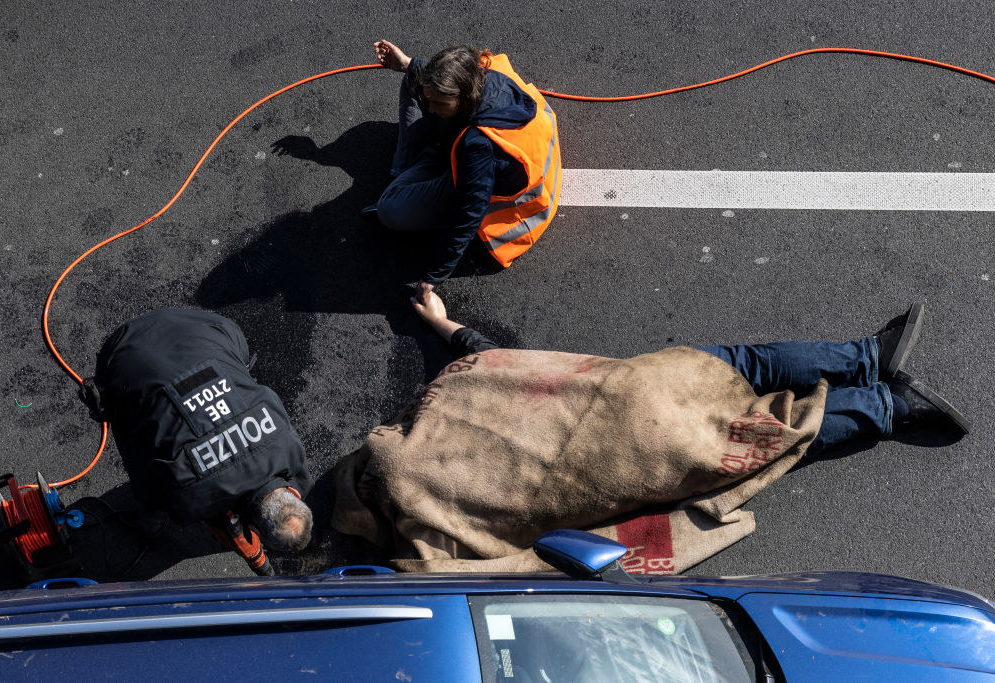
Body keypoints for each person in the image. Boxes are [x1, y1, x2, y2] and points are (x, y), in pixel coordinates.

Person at [332, 297, 968, 573]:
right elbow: (489, 364)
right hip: (627, 392)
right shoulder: (438, 413)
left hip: (631, 460)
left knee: (758, 440)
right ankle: (863, 356)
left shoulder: (433, 544)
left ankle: (890, 408)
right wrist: (447, 326)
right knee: (736, 365)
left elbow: (520, 567)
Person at [83, 309, 314, 570]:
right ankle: (151, 518)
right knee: (137, 448)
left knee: (239, 369)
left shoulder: (288, 445)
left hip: (203, 327)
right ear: (251, 528)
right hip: (123, 353)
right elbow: (145, 474)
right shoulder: (190, 497)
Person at [368, 40, 561, 302]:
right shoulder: (486, 74)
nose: (430, 107)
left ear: (462, 98)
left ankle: (411, 176)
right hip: (469, 149)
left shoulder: (478, 148)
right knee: (414, 79)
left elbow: (468, 214)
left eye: (438, 103)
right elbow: (431, 85)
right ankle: (414, 168)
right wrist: (408, 65)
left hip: (477, 178)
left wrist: (433, 277)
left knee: (389, 209)